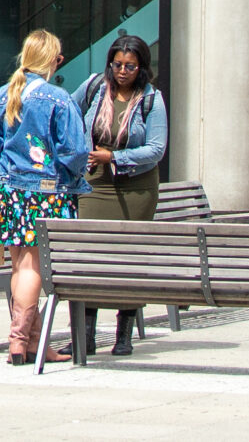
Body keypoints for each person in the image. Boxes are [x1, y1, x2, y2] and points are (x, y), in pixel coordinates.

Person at [0, 28, 92, 365]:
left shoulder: (0, 97)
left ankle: (34, 344)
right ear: (53, 60)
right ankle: (18, 340)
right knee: (34, 269)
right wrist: (73, 178)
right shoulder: (58, 99)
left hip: (11, 194)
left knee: (19, 267)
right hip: (46, 194)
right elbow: (74, 151)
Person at [72, 32, 167, 356]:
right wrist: (80, 149)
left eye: (130, 66)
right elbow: (68, 110)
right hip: (95, 183)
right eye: (117, 65)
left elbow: (156, 149)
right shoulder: (96, 86)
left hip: (136, 185)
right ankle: (85, 335)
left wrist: (115, 157)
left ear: (141, 67)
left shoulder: (152, 99)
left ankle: (123, 333)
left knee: (129, 256)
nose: (122, 71)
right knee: (89, 256)